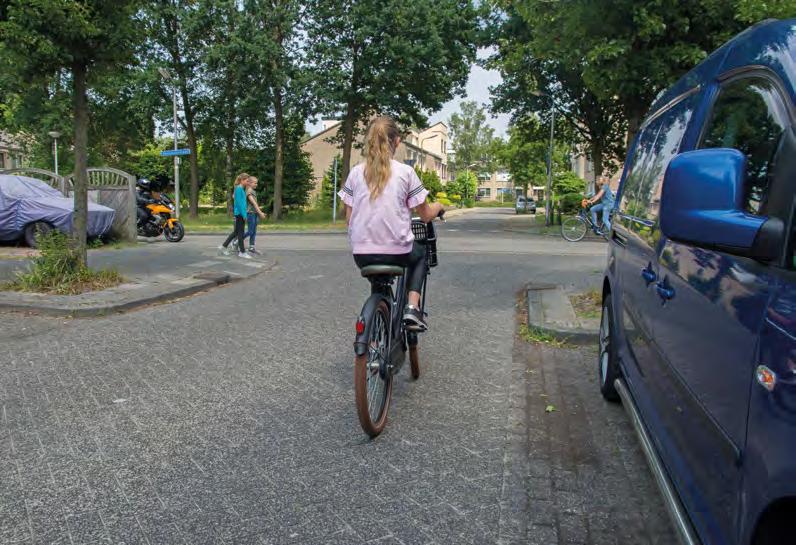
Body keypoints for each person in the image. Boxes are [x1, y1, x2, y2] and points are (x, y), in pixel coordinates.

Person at [338, 116, 444, 331]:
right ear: (397, 142)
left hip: (362, 253)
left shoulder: (356, 173)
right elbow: (424, 215)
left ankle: (376, 326)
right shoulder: (406, 172)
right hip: (397, 252)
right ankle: (413, 307)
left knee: (378, 281)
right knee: (421, 252)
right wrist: (439, 206)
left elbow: (349, 218)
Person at [218, 172, 252, 259]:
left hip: (240, 213)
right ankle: (242, 252)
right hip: (240, 214)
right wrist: (244, 215)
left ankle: (223, 246)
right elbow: (240, 204)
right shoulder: (239, 189)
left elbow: (242, 202)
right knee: (240, 233)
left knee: (236, 232)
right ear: (242, 180)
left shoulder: (240, 189)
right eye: (247, 181)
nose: (248, 183)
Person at [241, 176, 267, 254]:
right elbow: (254, 203)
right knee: (250, 231)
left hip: (255, 214)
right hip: (250, 214)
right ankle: (237, 241)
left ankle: (251, 247)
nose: (256, 184)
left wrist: (259, 212)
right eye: (255, 183)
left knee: (254, 231)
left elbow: (255, 204)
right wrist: (260, 213)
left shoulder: (253, 191)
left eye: (257, 183)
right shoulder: (249, 191)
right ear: (249, 183)